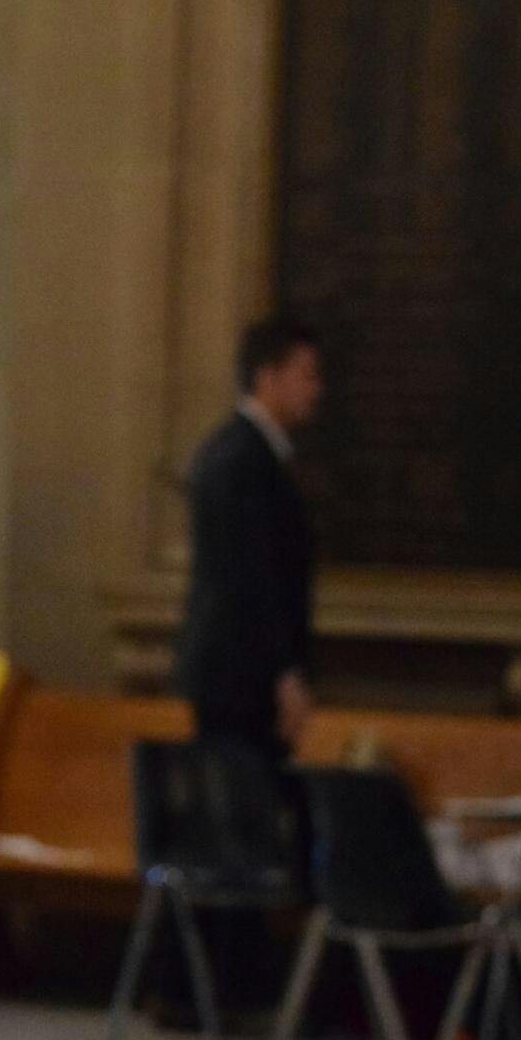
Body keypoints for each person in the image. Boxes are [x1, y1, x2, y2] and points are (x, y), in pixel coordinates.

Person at [175, 319, 323, 763]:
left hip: (239, 678)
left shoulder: (235, 450)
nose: (316, 390)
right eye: (307, 375)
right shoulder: (244, 459)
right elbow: (248, 578)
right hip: (243, 684)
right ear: (267, 377)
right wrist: (283, 675)